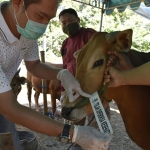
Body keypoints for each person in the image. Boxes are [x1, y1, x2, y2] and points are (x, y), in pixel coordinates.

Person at [0, 0, 112, 149]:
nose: (43, 26)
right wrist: (73, 133)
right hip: (5, 104)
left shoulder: (24, 28)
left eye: (49, 20)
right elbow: (9, 107)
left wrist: (62, 74)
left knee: (10, 144)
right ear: (18, 2)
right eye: (40, 16)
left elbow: (33, 65)